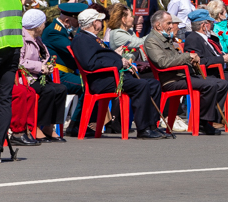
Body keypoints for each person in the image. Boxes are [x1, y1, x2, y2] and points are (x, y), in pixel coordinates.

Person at [71, 9, 167, 139]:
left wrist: (117, 58)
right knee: (142, 85)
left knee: (153, 84)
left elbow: (100, 58)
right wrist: (118, 63)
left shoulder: (91, 38)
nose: (102, 23)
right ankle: (143, 129)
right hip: (102, 81)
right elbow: (90, 64)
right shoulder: (82, 39)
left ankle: (151, 125)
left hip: (110, 76)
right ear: (94, 23)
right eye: (100, 20)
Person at [143, 10, 228, 136]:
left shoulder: (165, 38)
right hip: (171, 80)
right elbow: (162, 63)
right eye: (169, 23)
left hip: (181, 76)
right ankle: (203, 122)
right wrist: (187, 56)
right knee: (210, 85)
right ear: (158, 25)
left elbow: (176, 59)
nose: (172, 26)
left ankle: (207, 118)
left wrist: (192, 62)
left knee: (222, 84)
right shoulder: (152, 41)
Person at [19, 9, 68, 142]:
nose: (44, 26)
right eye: (43, 23)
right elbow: (20, 62)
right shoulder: (22, 39)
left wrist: (47, 65)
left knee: (61, 89)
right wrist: (40, 66)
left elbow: (42, 57)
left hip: (39, 76)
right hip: (27, 78)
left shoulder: (37, 39)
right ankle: (36, 126)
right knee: (48, 91)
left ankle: (49, 127)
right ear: (37, 25)